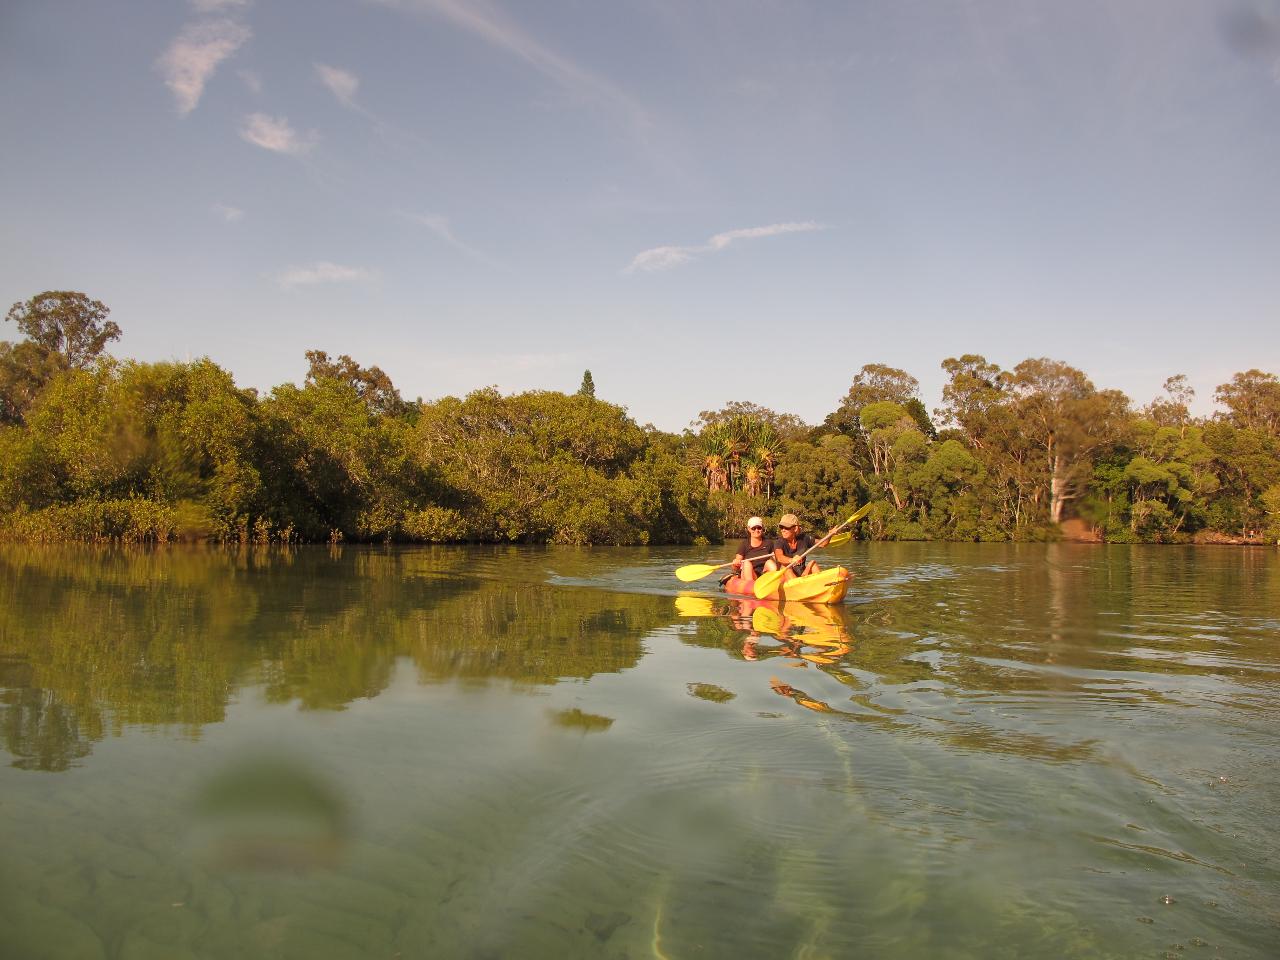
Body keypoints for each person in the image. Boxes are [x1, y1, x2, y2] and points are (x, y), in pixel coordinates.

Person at [772, 512, 830, 581]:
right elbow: (779, 557)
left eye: (786, 527)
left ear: (795, 528)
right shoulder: (779, 542)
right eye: (781, 527)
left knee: (813, 563)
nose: (783, 530)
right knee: (785, 568)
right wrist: (791, 560)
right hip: (786, 579)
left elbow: (822, 543)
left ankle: (820, 585)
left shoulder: (804, 538)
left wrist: (830, 535)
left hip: (801, 575)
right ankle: (797, 586)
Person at [730, 516, 778, 588]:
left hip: (763, 574)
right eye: (753, 528)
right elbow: (736, 567)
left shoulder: (769, 543)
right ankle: (751, 586)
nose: (756, 530)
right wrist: (735, 563)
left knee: (770, 562)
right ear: (749, 529)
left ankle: (775, 584)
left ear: (762, 528)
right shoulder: (744, 544)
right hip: (749, 574)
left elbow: (777, 559)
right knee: (746, 563)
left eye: (759, 528)